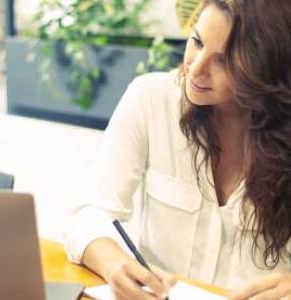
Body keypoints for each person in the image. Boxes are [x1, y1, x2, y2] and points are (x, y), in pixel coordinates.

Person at [64, 0, 291, 299]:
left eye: (223, 61)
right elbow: (89, 215)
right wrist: (115, 265)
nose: (195, 69)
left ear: (265, 70)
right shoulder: (151, 99)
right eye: (196, 42)